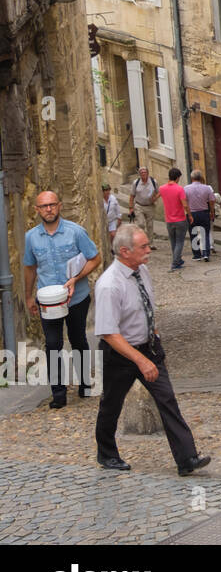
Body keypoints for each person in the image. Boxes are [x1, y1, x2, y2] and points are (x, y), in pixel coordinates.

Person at [92, 223, 211, 476]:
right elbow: (109, 332)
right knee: (111, 404)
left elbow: (146, 306)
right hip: (119, 354)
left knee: (167, 399)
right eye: (143, 246)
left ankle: (187, 458)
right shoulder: (109, 285)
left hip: (148, 347)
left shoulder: (142, 271)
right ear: (125, 251)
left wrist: (153, 336)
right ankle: (107, 453)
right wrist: (140, 361)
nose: (149, 250)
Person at [22, 191, 101, 408]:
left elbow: (95, 258)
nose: (48, 209)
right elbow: (30, 267)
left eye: (52, 205)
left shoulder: (76, 233)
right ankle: (58, 393)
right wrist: (29, 296)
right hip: (47, 301)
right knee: (53, 344)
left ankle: (85, 383)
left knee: (78, 339)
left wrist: (76, 278)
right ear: (37, 210)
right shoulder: (31, 237)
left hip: (77, 298)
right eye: (44, 206)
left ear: (59, 206)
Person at [158, 168, 192, 270]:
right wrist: (190, 215)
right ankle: (175, 263)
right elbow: (185, 205)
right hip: (180, 219)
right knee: (180, 241)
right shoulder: (179, 189)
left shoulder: (162, 188)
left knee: (173, 241)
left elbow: (155, 197)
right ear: (177, 177)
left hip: (169, 220)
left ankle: (177, 260)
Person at [184, 170, 217, 261]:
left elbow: (185, 202)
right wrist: (212, 212)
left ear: (192, 178)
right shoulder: (207, 188)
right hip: (204, 212)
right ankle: (206, 253)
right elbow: (212, 201)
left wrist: (188, 213)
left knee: (193, 233)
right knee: (205, 233)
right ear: (200, 178)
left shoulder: (186, 188)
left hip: (192, 213)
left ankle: (197, 255)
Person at [127, 166, 159, 247]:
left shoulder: (153, 181)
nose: (143, 174)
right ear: (139, 174)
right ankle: (142, 242)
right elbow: (132, 196)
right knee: (141, 224)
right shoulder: (136, 183)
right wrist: (131, 208)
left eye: (145, 172)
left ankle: (151, 243)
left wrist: (155, 198)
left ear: (148, 173)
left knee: (150, 225)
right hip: (139, 206)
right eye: (142, 173)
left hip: (150, 206)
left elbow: (159, 192)